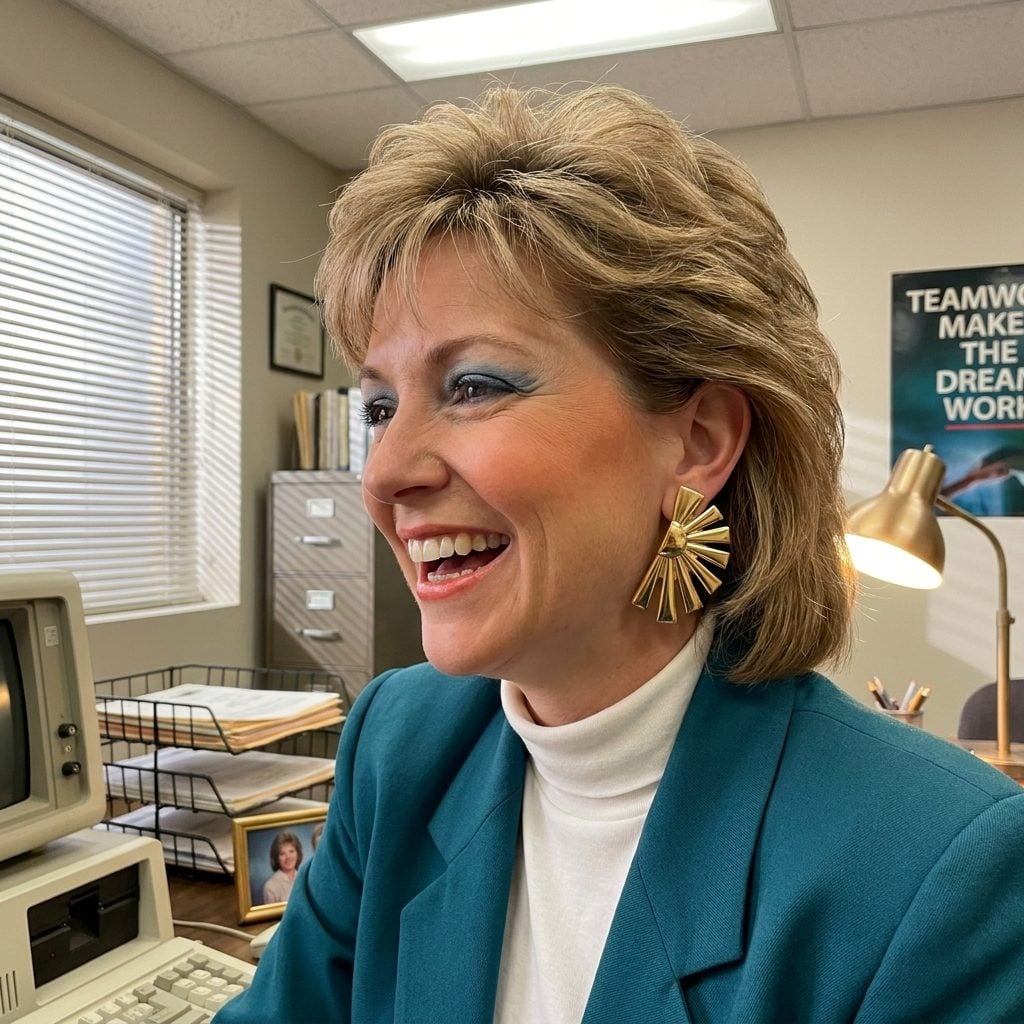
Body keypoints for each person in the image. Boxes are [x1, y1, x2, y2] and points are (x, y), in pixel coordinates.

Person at [215, 85, 1024, 1023]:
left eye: (474, 385)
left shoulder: (941, 867)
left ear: (698, 441)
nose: (386, 473)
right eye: (379, 407)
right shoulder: (399, 743)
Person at [260, 829, 302, 905]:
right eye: (282, 853)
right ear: (276, 858)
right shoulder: (270, 886)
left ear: (298, 853)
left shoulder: (304, 878)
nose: (288, 857)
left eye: (291, 851)